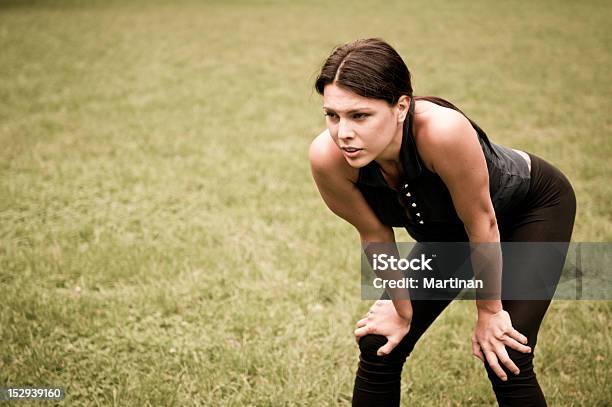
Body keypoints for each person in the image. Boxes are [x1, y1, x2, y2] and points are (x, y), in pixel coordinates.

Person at [308, 38, 576, 406]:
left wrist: (490, 312)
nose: (343, 133)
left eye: (360, 115)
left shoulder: (442, 132)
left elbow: (483, 224)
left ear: (401, 106)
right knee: (380, 343)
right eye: (332, 115)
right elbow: (374, 234)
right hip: (451, 234)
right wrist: (402, 311)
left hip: (529, 210)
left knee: (506, 352)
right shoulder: (328, 159)